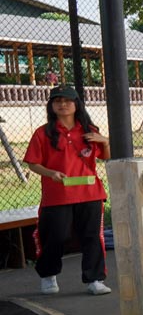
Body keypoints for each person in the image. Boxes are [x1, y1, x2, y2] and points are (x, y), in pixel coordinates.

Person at [22, 84, 110, 296]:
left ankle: (94, 279)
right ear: (51, 105)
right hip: (57, 196)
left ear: (76, 104)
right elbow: (32, 163)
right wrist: (51, 173)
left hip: (90, 193)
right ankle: (48, 275)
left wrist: (105, 141)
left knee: (92, 237)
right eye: (57, 101)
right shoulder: (43, 133)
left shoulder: (90, 130)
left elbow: (105, 156)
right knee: (55, 236)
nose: (62, 104)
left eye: (67, 100)